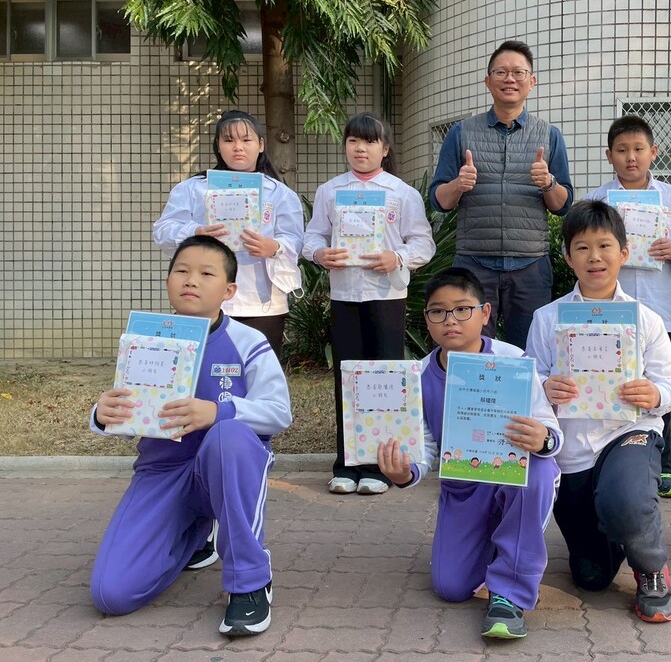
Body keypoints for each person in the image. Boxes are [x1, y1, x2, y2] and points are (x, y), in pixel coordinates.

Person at [90, 235, 292, 636]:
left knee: (228, 436)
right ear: (168, 280)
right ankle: (197, 532)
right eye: (181, 270)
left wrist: (218, 411)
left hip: (225, 465)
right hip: (162, 472)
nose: (191, 280)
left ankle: (250, 582)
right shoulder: (148, 340)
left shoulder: (248, 342)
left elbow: (279, 412)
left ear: (229, 291)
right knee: (111, 594)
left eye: (206, 273)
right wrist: (102, 415)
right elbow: (132, 414)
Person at [377, 267, 562, 640]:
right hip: (463, 488)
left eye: (462, 309)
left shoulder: (513, 361)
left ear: (485, 312)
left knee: (539, 470)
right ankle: (495, 541)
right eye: (438, 311)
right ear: (426, 318)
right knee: (451, 587)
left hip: (515, 477)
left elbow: (549, 427)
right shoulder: (418, 377)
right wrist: (403, 473)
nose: (450, 320)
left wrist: (544, 438)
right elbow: (424, 445)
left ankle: (509, 592)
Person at [525, 200, 671, 623]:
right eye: (582, 247)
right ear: (567, 257)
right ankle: (621, 531)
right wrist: (544, 385)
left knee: (626, 499)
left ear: (624, 253)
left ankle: (651, 567)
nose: (594, 257)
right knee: (591, 576)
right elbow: (529, 377)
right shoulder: (547, 318)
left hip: (627, 433)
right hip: (572, 450)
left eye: (604, 246)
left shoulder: (646, 319)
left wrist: (653, 393)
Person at [303, 112, 436, 495]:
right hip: (344, 295)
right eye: (353, 141)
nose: (360, 149)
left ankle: (380, 467)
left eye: (370, 141)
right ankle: (346, 465)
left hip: (387, 296)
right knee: (347, 379)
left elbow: (423, 243)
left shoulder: (402, 193)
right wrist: (320, 254)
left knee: (385, 381)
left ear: (385, 148)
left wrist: (398, 257)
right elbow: (311, 237)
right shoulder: (330, 191)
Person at [586, 115, 671, 499]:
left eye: (638, 149)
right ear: (609, 155)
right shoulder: (598, 201)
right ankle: (605, 458)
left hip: (659, 309)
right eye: (622, 150)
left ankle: (663, 466)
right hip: (609, 308)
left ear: (653, 152)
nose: (631, 157)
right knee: (609, 381)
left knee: (658, 385)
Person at [429, 40, 574, 348]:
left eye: (518, 72)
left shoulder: (550, 135)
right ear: (488, 81)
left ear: (531, 82)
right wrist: (458, 184)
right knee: (472, 350)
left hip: (530, 266)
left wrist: (548, 183)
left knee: (531, 351)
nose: (510, 79)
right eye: (501, 72)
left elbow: (563, 206)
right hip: (474, 263)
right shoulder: (460, 133)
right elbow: (439, 200)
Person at [153, 110, 303, 359]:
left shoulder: (280, 193)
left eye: (246, 140)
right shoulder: (192, 189)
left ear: (261, 145)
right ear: (218, 146)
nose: (238, 147)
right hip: (204, 299)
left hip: (260, 303)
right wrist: (195, 233)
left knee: (257, 369)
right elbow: (163, 230)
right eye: (229, 140)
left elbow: (296, 239)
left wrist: (274, 247)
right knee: (202, 370)